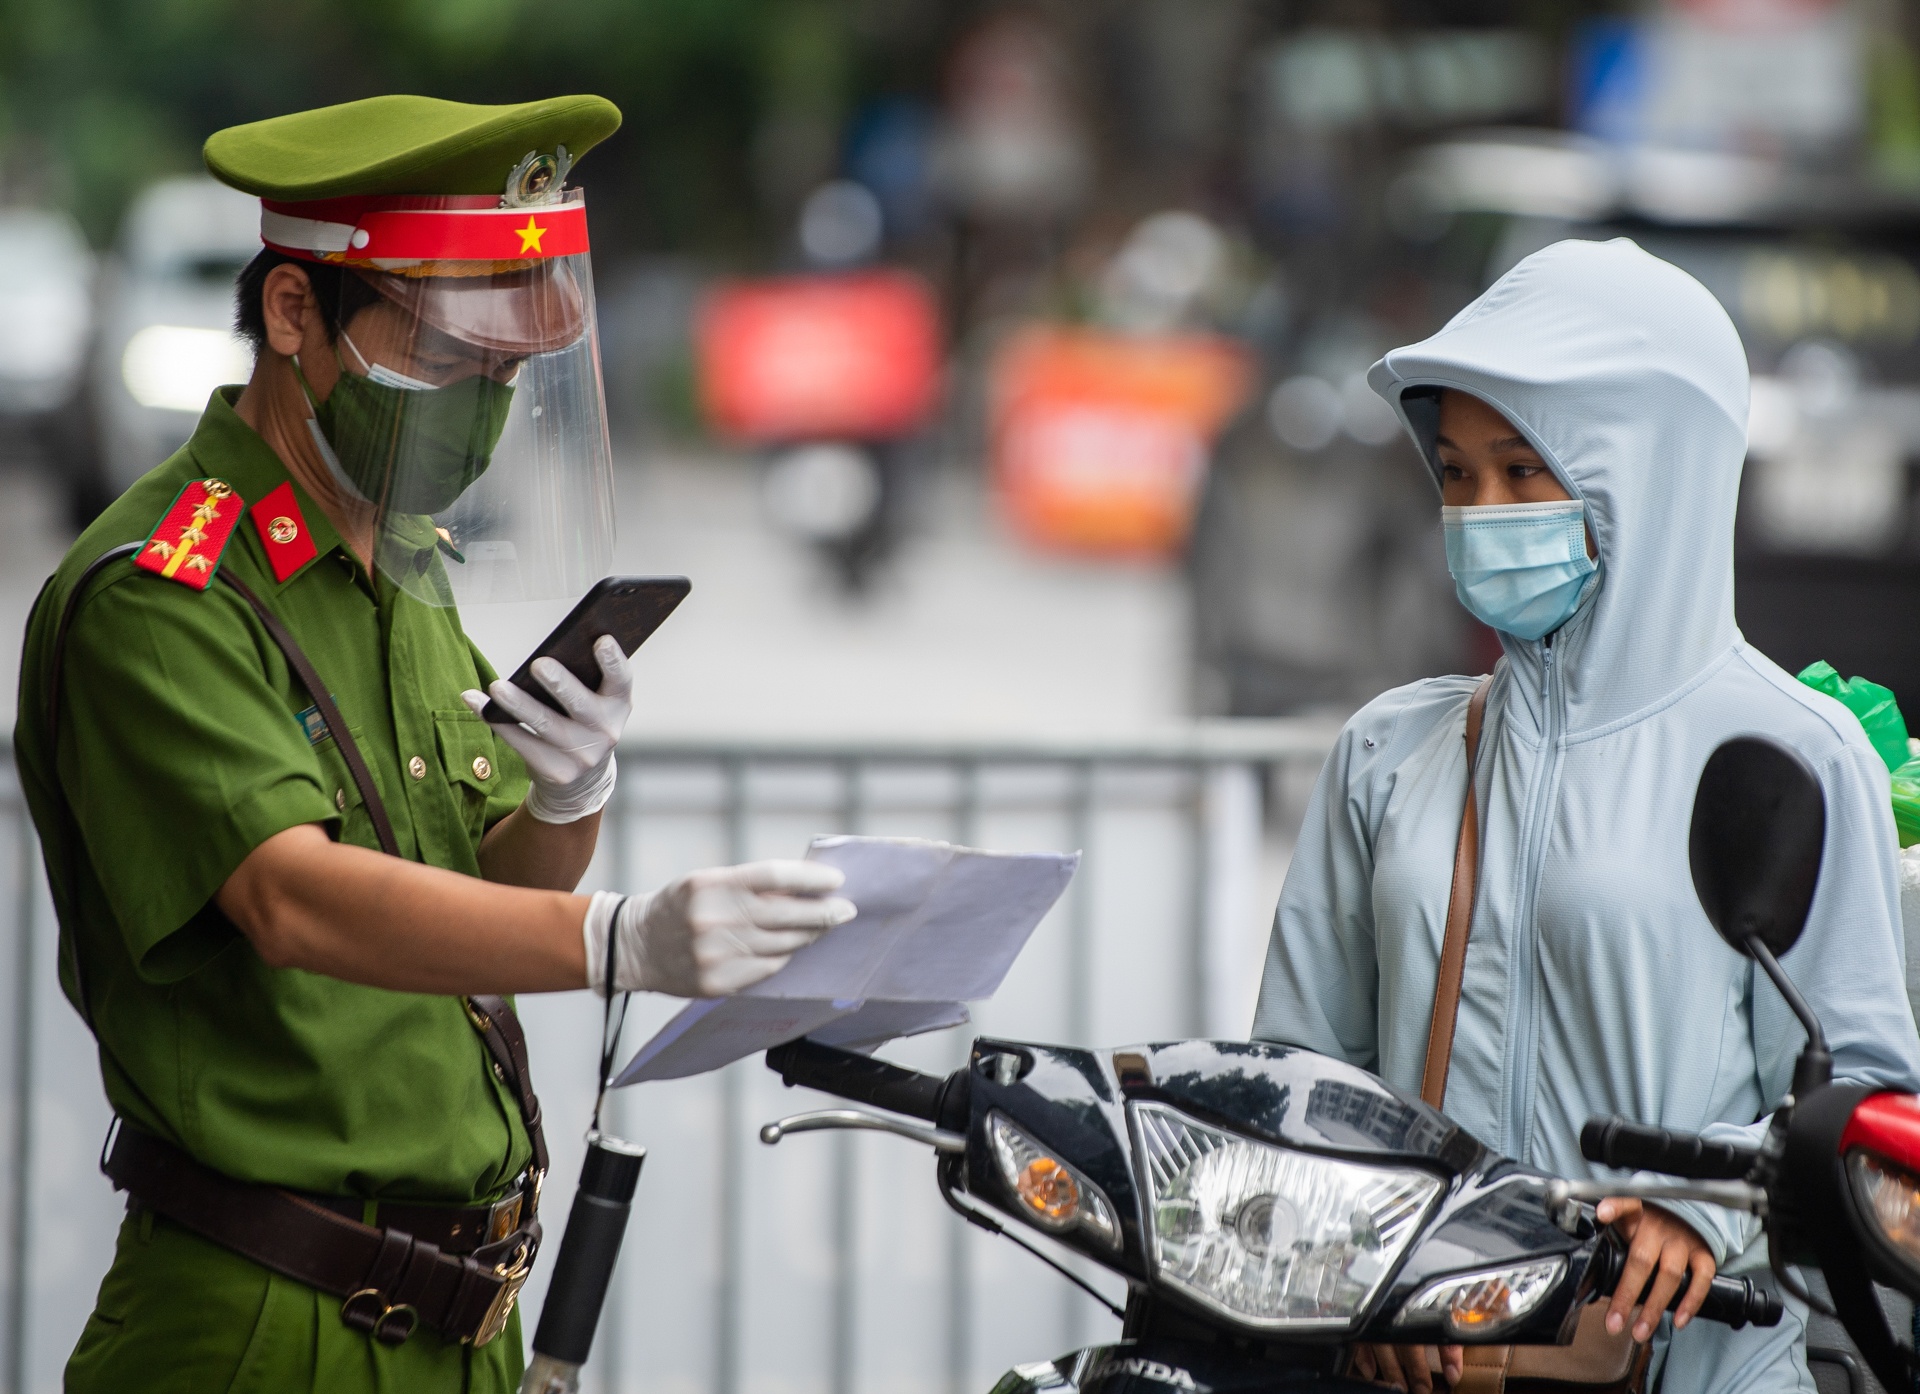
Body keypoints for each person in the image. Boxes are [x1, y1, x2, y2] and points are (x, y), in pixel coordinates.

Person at [15, 95, 855, 1394]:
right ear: (293, 311)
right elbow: (291, 898)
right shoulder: (163, 590)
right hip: (267, 1321)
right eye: (454, 357)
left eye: (513, 373)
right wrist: (618, 939)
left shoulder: (399, 560)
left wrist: (570, 798)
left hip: (459, 1316)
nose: (486, 402)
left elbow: (479, 893)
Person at [1251, 238, 1920, 1393]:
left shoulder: (1795, 752)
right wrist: (1351, 1265)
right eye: (1456, 474)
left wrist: (1706, 1210)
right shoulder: (1389, 750)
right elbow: (1300, 1077)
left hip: (1697, 1368)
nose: (1481, 511)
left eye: (1525, 471)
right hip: (1416, 1362)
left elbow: (1862, 1103)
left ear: (1652, 470)